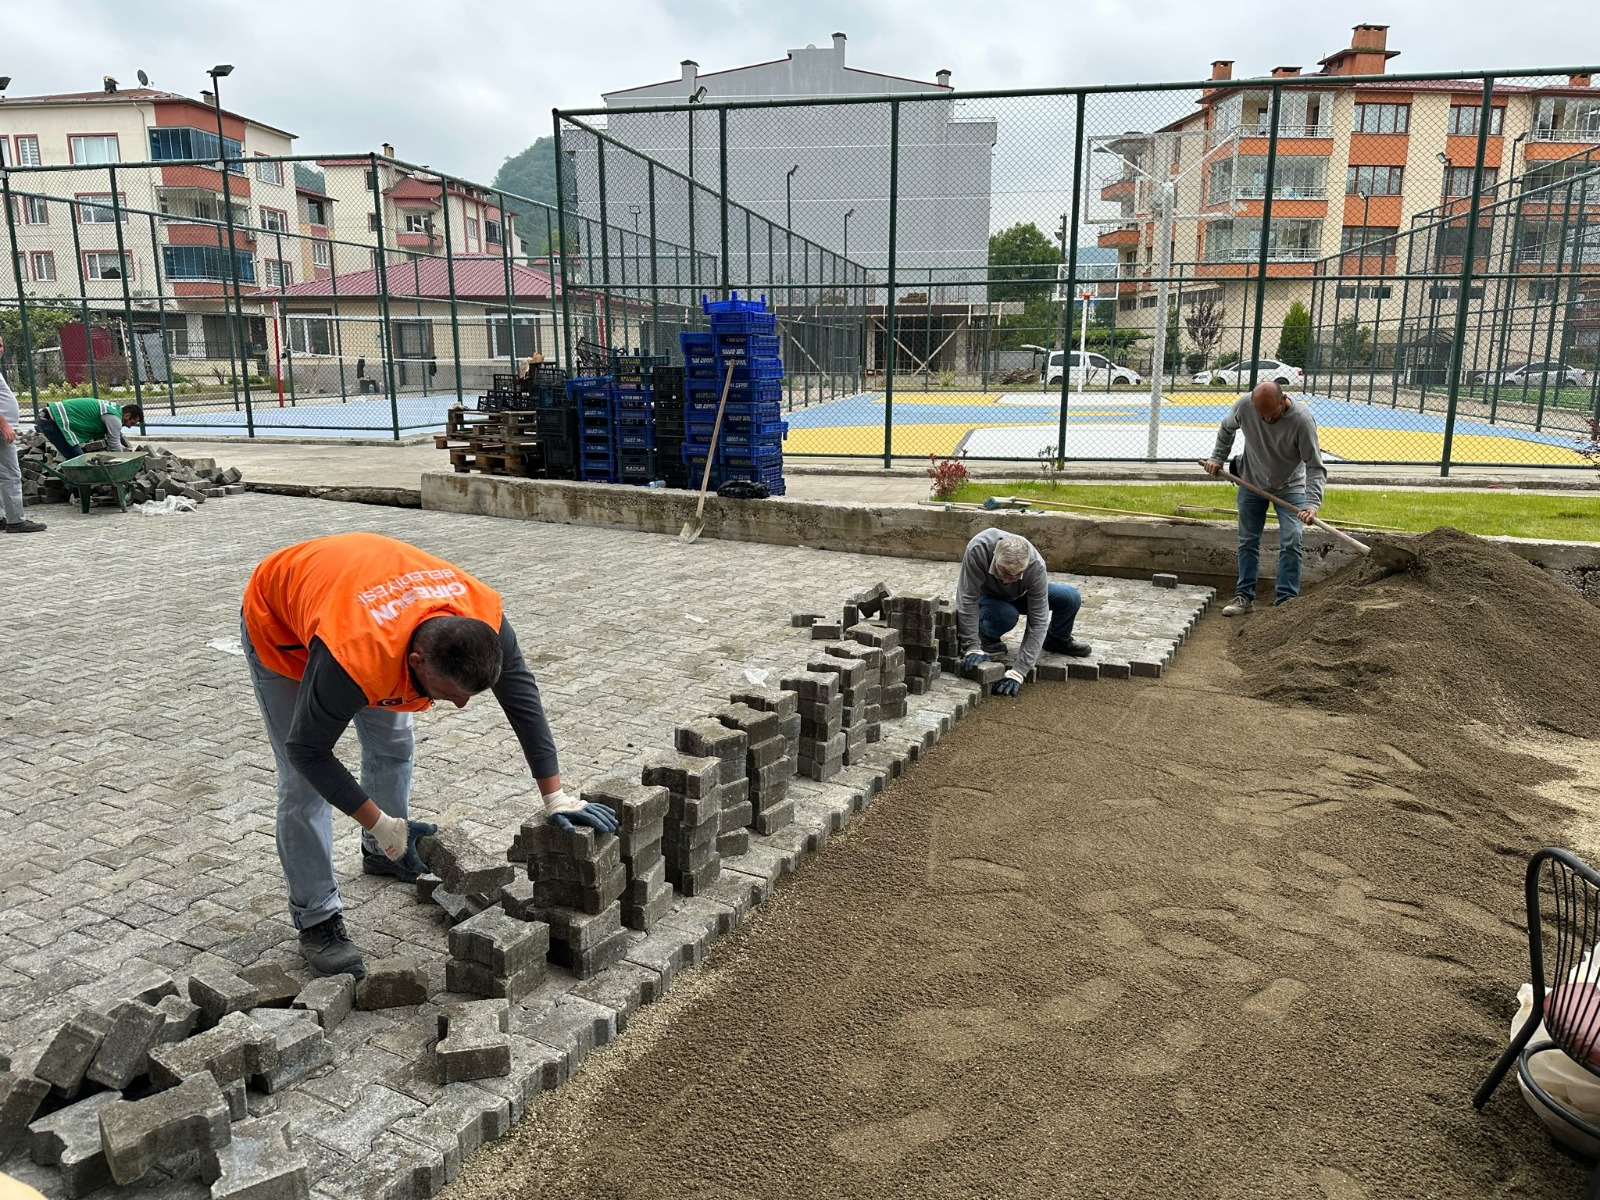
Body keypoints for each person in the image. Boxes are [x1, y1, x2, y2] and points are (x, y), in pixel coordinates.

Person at [241, 532, 617, 978]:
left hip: (358, 594)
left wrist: (556, 797)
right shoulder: (357, 656)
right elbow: (308, 750)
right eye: (449, 694)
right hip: (282, 623)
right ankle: (317, 917)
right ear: (417, 662)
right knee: (303, 785)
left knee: (394, 746)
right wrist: (377, 818)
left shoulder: (485, 617)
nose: (460, 706)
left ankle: (385, 851)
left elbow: (523, 704)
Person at [1203, 380, 1327, 615]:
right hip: (1251, 482)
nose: (1267, 420)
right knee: (1248, 540)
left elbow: (1314, 466)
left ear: (1284, 400)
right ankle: (1244, 596)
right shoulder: (1244, 407)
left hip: (1291, 487)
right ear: (1252, 404)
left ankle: (1285, 603)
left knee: (1292, 540)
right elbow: (1226, 428)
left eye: (1272, 414)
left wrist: (1311, 503)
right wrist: (1217, 458)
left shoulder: (1302, 420)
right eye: (1262, 416)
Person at [955, 529, 1090, 698]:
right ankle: (986, 636)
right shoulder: (979, 549)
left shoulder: (1035, 565)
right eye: (1005, 573)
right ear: (996, 558)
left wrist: (1020, 670)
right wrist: (971, 646)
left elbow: (1038, 620)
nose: (1009, 579)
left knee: (1069, 597)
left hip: (1020, 595)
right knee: (1006, 615)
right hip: (988, 597)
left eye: (1017, 574)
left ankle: (1057, 640)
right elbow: (967, 599)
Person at [0, 335, 46, 534]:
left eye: (1, 344)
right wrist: (5, 425)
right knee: (11, 475)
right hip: (2, 430)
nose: (0, 348)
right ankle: (16, 521)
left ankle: (2, 517)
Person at [37, 396, 143, 462]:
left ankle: (79, 490)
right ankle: (79, 495)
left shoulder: (114, 410)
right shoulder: (114, 419)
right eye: (132, 423)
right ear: (127, 415)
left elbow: (115, 438)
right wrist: (123, 463)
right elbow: (114, 445)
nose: (129, 427)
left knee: (78, 458)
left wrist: (126, 451)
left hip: (50, 417)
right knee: (78, 460)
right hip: (51, 420)